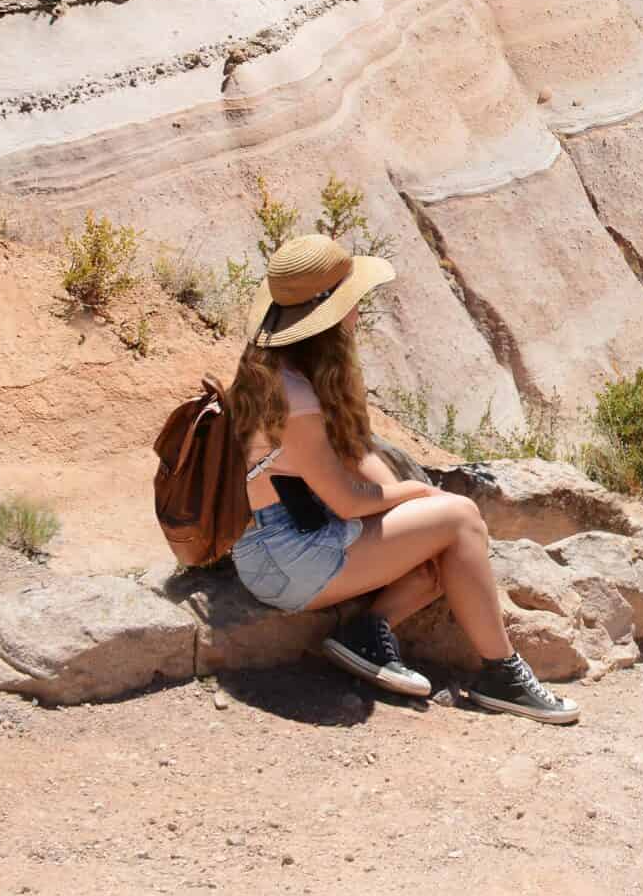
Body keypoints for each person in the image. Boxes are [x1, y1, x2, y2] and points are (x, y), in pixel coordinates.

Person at [224, 233, 579, 725]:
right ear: (327, 318)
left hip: (293, 541)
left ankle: (367, 632)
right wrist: (418, 494)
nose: (356, 314)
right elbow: (348, 501)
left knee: (447, 545)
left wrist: (414, 509)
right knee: (460, 520)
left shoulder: (283, 371)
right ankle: (503, 673)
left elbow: (354, 455)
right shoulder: (293, 397)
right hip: (286, 556)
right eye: (350, 304)